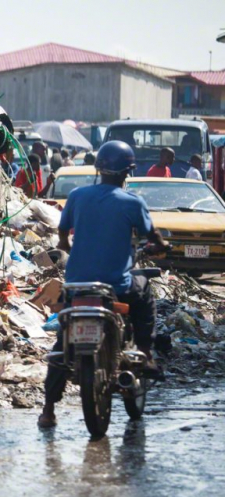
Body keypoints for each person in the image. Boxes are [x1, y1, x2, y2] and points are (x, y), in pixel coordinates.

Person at [38, 140, 170, 429]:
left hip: (77, 285)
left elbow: (62, 238)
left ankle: (48, 410)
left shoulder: (77, 196)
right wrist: (160, 246)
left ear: (99, 169)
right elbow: (153, 236)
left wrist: (72, 247)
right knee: (144, 292)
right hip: (116, 286)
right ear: (127, 172)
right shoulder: (133, 202)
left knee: (63, 340)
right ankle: (146, 354)